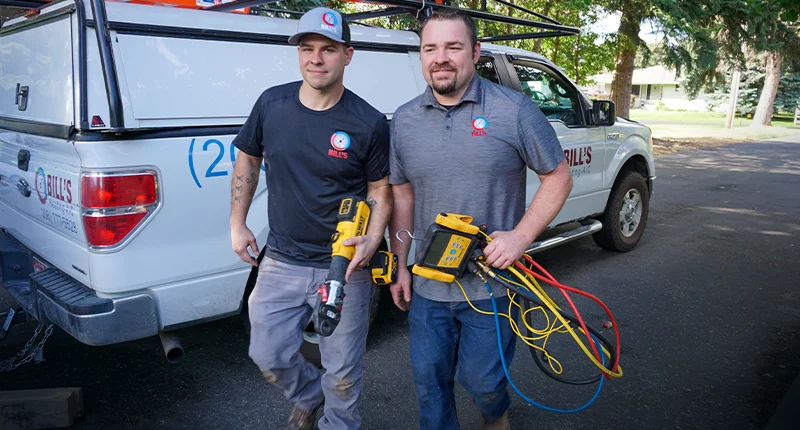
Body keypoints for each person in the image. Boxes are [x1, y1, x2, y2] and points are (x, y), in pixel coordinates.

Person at [388, 10, 573, 430]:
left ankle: (495, 417)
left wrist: (520, 237)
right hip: (429, 286)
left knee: (484, 383)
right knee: (430, 386)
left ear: (475, 52)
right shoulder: (404, 119)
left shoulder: (514, 110)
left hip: (493, 287)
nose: (441, 58)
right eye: (430, 48)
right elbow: (401, 192)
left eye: (453, 47)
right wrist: (399, 260)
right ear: (421, 56)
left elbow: (557, 176)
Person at [229, 7, 392, 430]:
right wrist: (237, 221)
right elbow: (247, 157)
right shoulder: (271, 103)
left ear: (348, 55)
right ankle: (307, 394)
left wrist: (372, 239)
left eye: (328, 49)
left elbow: (379, 191)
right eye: (307, 48)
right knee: (267, 354)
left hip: (343, 265)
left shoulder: (368, 122)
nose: (316, 58)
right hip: (281, 259)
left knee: (342, 373)